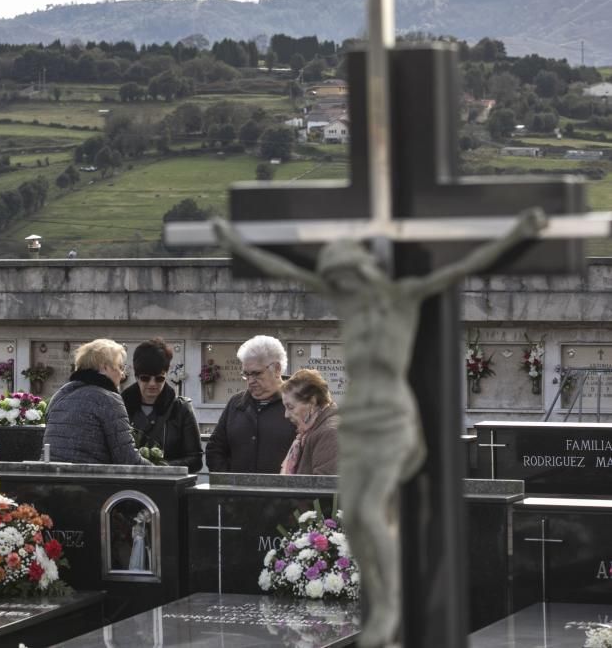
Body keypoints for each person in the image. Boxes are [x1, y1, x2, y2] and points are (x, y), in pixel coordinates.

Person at [213, 208, 547, 647]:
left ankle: (397, 602)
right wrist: (236, 243)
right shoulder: (349, 300)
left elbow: (466, 265)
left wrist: (519, 232)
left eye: (345, 277)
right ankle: (386, 597)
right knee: (364, 517)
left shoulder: (404, 295)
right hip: (364, 420)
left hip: (392, 418)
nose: (341, 287)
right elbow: (290, 269)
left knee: (378, 510)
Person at [43, 338, 150, 465]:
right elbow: (127, 459)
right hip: (89, 481)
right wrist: (160, 471)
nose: (122, 375)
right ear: (105, 367)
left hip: (51, 479)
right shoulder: (108, 399)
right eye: (120, 367)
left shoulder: (59, 396)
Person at [205, 335, 296, 473]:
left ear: (277, 369)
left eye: (256, 373)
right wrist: (227, 482)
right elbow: (215, 448)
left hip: (281, 492)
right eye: (246, 374)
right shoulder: (236, 403)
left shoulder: (297, 404)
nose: (250, 380)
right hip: (236, 492)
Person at [121, 338, 202, 473]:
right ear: (136, 377)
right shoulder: (120, 407)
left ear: (166, 376)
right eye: (145, 378)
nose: (152, 384)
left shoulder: (181, 408)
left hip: (169, 485)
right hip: (129, 485)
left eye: (159, 378)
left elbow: (195, 459)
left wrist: (162, 467)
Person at [280, 368, 339, 475]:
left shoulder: (330, 433)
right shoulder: (311, 432)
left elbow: (323, 487)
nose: (286, 415)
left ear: (312, 402)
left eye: (290, 407)